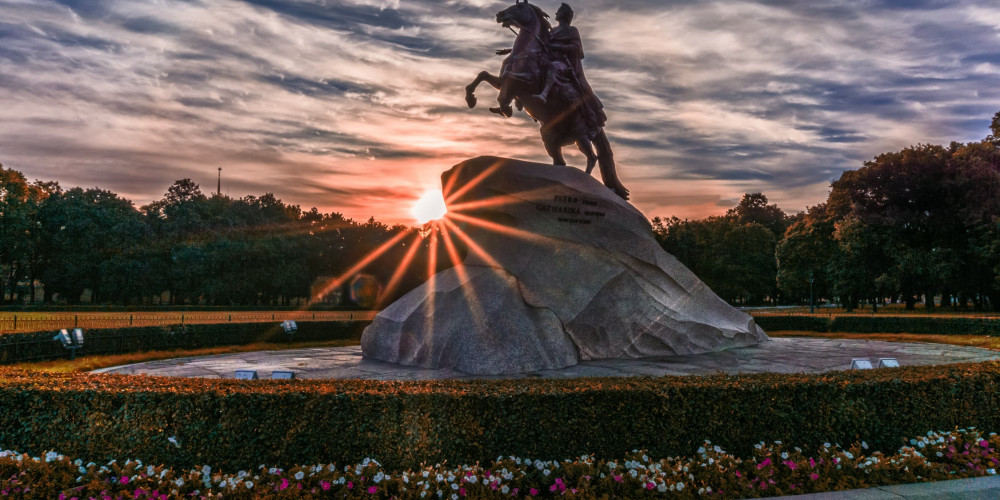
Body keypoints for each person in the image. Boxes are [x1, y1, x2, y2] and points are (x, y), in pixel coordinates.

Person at [534, 3, 606, 128]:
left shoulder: (571, 30)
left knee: (552, 67)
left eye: (559, 11)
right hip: (548, 60)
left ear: (564, 15)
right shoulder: (553, 31)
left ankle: (544, 94)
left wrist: (555, 46)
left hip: (564, 65)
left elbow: (576, 48)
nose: (556, 13)